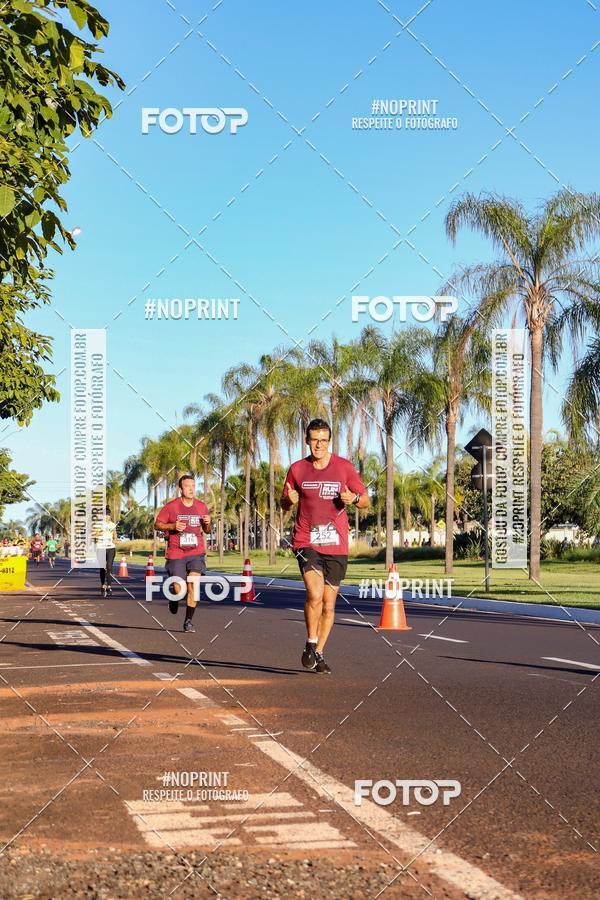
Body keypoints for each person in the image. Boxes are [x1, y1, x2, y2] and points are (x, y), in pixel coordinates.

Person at [281, 418, 369, 675]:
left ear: (329, 442)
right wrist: (289, 499)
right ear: (307, 440)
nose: (318, 445)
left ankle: (318, 651)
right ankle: (311, 640)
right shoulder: (297, 469)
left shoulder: (344, 467)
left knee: (329, 605)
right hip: (306, 540)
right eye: (314, 439)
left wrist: (353, 498)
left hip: (336, 544)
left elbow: (365, 500)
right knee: (315, 594)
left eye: (323, 440)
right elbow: (284, 502)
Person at [155, 475, 211, 633]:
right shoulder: (172, 507)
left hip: (196, 552)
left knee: (193, 584)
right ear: (181, 489)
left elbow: (207, 531)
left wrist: (208, 523)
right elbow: (157, 524)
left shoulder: (201, 506)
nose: (191, 489)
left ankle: (188, 621)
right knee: (180, 589)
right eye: (188, 486)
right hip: (176, 553)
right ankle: (174, 596)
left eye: (193, 485)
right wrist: (172, 526)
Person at [94, 507, 117, 597]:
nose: (107, 516)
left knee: (110, 567)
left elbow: (115, 536)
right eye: (105, 515)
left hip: (111, 548)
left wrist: (115, 541)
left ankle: (109, 586)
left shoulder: (112, 525)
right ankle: (103, 585)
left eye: (108, 515)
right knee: (103, 568)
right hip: (101, 548)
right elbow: (94, 535)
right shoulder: (98, 525)